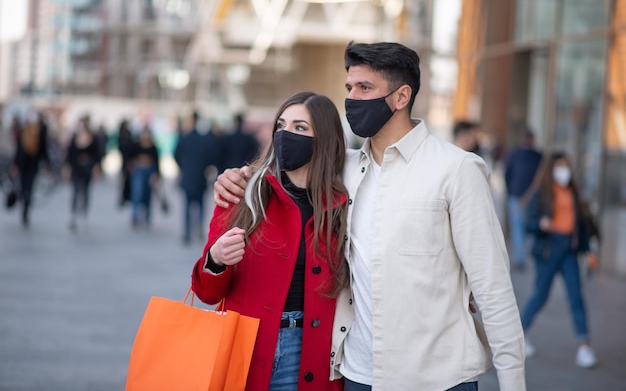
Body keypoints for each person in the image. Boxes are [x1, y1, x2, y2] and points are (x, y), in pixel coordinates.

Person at [213, 42, 526, 390]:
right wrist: (234, 178)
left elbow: (493, 288)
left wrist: (513, 383)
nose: (352, 99)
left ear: (401, 97)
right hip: (357, 375)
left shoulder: (456, 170)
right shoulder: (339, 169)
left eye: (365, 88)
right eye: (349, 88)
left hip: (438, 378)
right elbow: (278, 171)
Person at [191, 91, 348, 391]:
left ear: (325, 139)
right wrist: (216, 259)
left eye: (301, 128)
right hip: (244, 350)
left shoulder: (341, 206)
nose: (287, 135)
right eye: (281, 125)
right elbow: (206, 293)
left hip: (308, 353)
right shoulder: (243, 193)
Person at [520, 151, 598, 368]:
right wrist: (541, 224)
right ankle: (518, 336)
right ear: (551, 169)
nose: (564, 171)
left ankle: (584, 346)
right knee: (540, 295)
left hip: (569, 250)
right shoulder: (542, 193)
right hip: (549, 248)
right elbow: (529, 223)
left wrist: (587, 250)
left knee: (576, 297)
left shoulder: (572, 191)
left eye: (566, 166)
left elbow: (580, 225)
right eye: (559, 166)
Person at [174, 111, 220, 245]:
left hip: (188, 176)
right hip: (200, 176)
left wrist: (183, 167)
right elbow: (212, 158)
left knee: (187, 205)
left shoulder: (184, 138)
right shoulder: (205, 140)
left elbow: (176, 154)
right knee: (200, 204)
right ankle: (199, 229)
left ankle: (187, 232)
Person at [504, 127, 543, 270]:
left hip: (519, 197)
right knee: (528, 228)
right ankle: (526, 256)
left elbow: (507, 174)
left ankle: (521, 258)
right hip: (532, 198)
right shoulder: (538, 156)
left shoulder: (514, 155)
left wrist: (512, 193)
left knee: (518, 228)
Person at [9, 110, 49, 227]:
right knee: (22, 186)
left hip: (33, 164)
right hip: (22, 164)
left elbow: (43, 149)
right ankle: (23, 203)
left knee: (29, 187)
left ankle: (26, 208)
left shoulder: (40, 132)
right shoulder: (24, 130)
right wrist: (15, 164)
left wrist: (47, 164)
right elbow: (19, 149)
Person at [62, 116, 102, 231]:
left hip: (87, 168)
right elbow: (70, 154)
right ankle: (73, 214)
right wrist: (67, 167)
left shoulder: (92, 138)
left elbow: (97, 154)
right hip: (76, 168)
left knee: (85, 191)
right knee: (75, 190)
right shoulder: (74, 138)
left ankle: (84, 213)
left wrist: (95, 166)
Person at [128, 125, 160, 228]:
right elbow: (130, 158)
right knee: (137, 192)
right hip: (139, 170)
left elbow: (157, 161)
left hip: (149, 171)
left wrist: (156, 174)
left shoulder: (153, 146)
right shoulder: (136, 145)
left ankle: (147, 216)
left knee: (148, 194)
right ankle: (135, 215)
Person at [116, 119, 134, 207]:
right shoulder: (122, 135)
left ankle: (126, 197)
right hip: (125, 159)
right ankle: (124, 197)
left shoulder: (128, 134)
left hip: (128, 159)